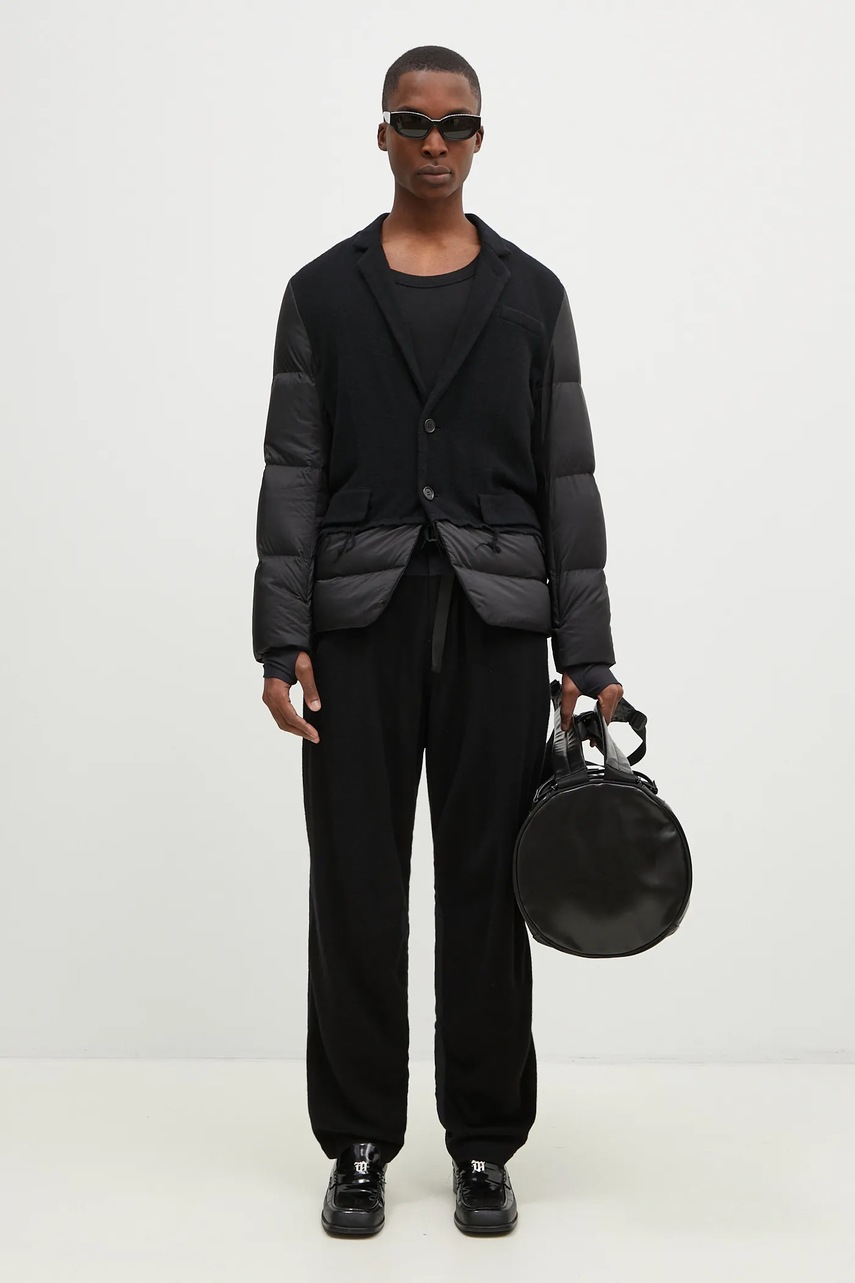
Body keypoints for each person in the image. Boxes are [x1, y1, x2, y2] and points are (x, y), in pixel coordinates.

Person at [252, 44, 624, 1237]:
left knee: (486, 891)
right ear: (382, 133)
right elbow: (292, 470)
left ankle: (484, 1143)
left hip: (497, 627)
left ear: (479, 139)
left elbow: (568, 479)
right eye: (412, 122)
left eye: (454, 124)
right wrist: (280, 637)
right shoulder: (321, 293)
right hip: (354, 628)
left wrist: (587, 659)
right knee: (354, 886)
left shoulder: (532, 295)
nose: (433, 143)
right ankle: (359, 1139)